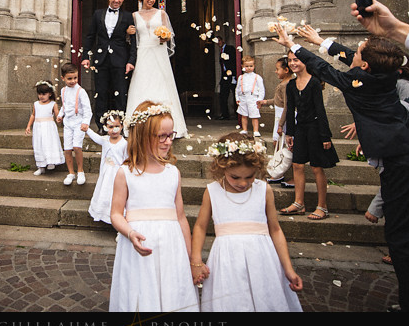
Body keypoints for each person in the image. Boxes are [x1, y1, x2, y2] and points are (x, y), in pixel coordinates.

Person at [271, 22, 409, 312]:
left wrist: (292, 46)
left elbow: (323, 69)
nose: (353, 54)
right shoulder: (386, 73)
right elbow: (348, 57)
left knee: (402, 238)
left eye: (358, 53)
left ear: (366, 65)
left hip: (401, 164)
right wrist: (322, 41)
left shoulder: (358, 85)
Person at [191, 133, 303, 312]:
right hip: (226, 262)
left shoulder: (263, 190)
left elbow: (275, 230)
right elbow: (200, 226)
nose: (243, 183)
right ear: (222, 168)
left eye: (249, 176)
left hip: (262, 261)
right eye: (235, 177)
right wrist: (196, 261)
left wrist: (288, 269)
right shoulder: (212, 192)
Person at [109, 101, 198, 312]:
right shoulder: (126, 173)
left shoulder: (173, 173)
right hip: (139, 245)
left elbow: (181, 217)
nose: (168, 142)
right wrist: (130, 233)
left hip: (171, 246)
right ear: (141, 136)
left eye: (171, 135)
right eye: (162, 136)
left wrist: (190, 257)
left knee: (171, 293)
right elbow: (115, 214)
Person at [278, 50, 337, 220]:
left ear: (305, 62)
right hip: (300, 128)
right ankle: (299, 203)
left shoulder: (314, 83)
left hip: (315, 128)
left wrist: (325, 136)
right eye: (290, 60)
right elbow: (289, 110)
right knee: (297, 165)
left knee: (316, 167)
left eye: (296, 59)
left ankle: (322, 206)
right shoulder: (290, 85)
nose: (292, 63)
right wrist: (289, 132)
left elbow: (320, 109)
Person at [125, 0, 188, 138]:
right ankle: (139, 125)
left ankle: (168, 125)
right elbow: (131, 39)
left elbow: (170, 34)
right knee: (141, 83)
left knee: (161, 84)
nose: (151, 0)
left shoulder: (161, 14)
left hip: (158, 52)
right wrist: (128, 33)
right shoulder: (134, 15)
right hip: (143, 53)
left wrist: (165, 37)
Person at [81, 0, 136, 130]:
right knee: (101, 92)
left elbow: (134, 41)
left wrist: (131, 61)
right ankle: (101, 125)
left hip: (120, 59)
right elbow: (91, 36)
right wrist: (85, 55)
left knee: (120, 93)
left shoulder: (128, 16)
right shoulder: (98, 14)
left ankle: (121, 125)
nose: (116, 0)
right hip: (101, 58)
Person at [85, 110, 128, 224]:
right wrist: (87, 129)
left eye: (117, 127)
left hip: (118, 173)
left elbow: (126, 158)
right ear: (105, 127)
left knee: (117, 194)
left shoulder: (124, 143)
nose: (114, 130)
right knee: (105, 191)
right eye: (110, 127)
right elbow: (95, 137)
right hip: (106, 172)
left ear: (122, 126)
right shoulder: (105, 141)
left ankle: (119, 217)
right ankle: (105, 214)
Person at [57, 63, 92, 185]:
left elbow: (88, 110)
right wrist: (60, 115)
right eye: (69, 78)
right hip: (68, 123)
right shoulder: (63, 90)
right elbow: (65, 105)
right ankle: (71, 172)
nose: (73, 81)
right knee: (67, 149)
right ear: (63, 78)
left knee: (77, 147)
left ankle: (80, 171)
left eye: (75, 78)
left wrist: (85, 123)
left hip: (78, 122)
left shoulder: (81, 91)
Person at [25, 81, 64, 176]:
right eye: (39, 94)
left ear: (50, 94)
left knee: (48, 143)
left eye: (44, 94)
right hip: (38, 127)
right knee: (39, 144)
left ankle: (51, 161)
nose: (41, 96)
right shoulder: (36, 104)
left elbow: (57, 115)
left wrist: (59, 119)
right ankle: (41, 166)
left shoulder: (52, 104)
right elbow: (33, 115)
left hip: (49, 127)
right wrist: (28, 126)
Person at [234, 55, 265, 137]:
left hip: (253, 98)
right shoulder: (241, 77)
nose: (249, 68)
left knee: (254, 115)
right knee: (243, 115)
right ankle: (244, 129)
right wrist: (237, 98)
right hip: (243, 98)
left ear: (254, 66)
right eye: (246, 66)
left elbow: (261, 89)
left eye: (251, 66)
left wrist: (260, 99)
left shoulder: (257, 77)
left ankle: (256, 130)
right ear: (242, 66)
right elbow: (237, 89)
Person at [217, 38, 237, 120]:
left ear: (222, 41)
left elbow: (233, 61)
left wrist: (233, 75)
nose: (218, 43)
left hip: (231, 74)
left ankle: (237, 114)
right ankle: (225, 114)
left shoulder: (230, 48)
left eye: (219, 41)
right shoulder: (221, 51)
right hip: (224, 75)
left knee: (235, 95)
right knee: (223, 95)